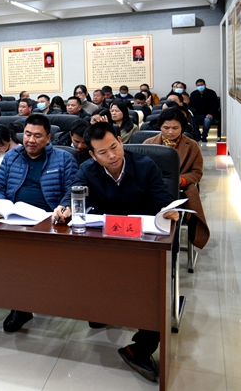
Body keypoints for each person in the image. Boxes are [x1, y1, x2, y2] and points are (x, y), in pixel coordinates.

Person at [53, 122, 179, 382]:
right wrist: (66, 207)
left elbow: (163, 202)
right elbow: (74, 192)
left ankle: (141, 346)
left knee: (151, 286)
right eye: (102, 152)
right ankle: (103, 310)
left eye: (114, 147)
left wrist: (169, 211)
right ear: (92, 155)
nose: (111, 155)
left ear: (121, 142)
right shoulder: (87, 170)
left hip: (142, 242)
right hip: (106, 240)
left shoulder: (145, 166)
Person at [0, 114, 78, 332]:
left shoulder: (64, 159)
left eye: (37, 136)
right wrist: (3, 207)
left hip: (50, 221)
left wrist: (63, 208)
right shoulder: (12, 157)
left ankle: (24, 304)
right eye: (27, 134)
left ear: (48, 138)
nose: (31, 140)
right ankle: (20, 305)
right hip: (14, 218)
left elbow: (72, 190)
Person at [143, 108, 210, 249]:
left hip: (179, 192)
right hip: (150, 191)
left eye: (175, 128)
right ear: (160, 127)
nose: (170, 132)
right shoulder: (148, 144)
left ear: (182, 128)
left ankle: (170, 246)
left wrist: (182, 180)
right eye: (166, 127)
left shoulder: (192, 146)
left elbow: (197, 172)